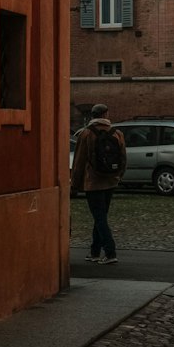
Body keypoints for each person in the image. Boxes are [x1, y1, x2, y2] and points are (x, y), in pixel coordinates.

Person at [70, 103, 126, 264]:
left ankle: (110, 252)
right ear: (106, 115)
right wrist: (119, 176)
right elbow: (123, 157)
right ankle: (95, 252)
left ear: (92, 116)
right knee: (100, 216)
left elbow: (79, 160)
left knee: (99, 217)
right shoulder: (117, 133)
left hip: (93, 182)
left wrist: (75, 182)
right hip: (110, 180)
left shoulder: (86, 133)